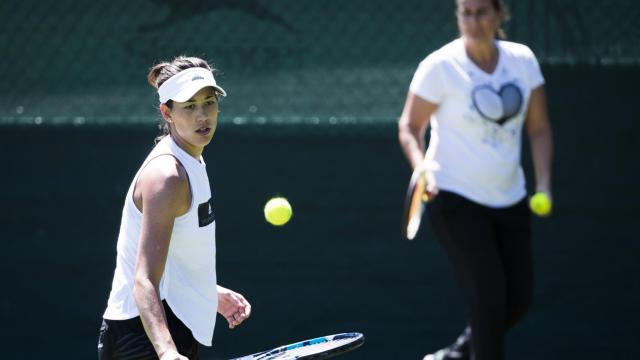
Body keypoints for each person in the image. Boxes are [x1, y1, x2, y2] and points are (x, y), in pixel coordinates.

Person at [398, 0, 553, 359]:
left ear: (500, 14)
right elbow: (409, 125)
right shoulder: (439, 67)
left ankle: (453, 356)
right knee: (489, 297)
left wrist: (543, 183)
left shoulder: (522, 61)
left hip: (510, 198)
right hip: (453, 198)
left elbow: (540, 127)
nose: (473, 21)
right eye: (465, 13)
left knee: (518, 301)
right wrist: (421, 166)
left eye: (482, 12)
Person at [98, 56, 252, 360]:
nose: (202, 116)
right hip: (141, 338)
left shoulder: (191, 159)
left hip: (170, 327)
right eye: (189, 106)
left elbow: (170, 254)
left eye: (208, 102)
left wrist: (208, 292)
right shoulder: (167, 177)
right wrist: (167, 352)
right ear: (167, 113)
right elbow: (143, 279)